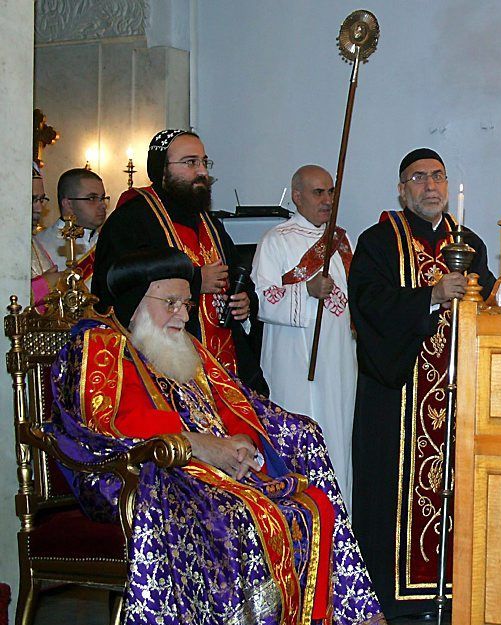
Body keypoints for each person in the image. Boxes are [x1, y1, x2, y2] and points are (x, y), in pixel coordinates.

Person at [49, 247, 385, 625]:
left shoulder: (183, 344)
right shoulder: (100, 343)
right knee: (239, 517)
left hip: (211, 469)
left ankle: (337, 616)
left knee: (314, 501)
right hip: (139, 477)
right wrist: (199, 446)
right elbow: (105, 423)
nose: (182, 315)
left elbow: (235, 401)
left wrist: (244, 443)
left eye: (188, 305)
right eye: (171, 302)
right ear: (134, 300)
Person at [348, 148, 496, 619]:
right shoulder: (378, 242)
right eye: (418, 179)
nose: (430, 187)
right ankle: (391, 602)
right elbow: (368, 304)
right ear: (401, 188)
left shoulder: (469, 243)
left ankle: (454, 592)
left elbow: (487, 299)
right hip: (398, 400)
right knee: (390, 502)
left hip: (457, 398)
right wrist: (430, 296)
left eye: (438, 177)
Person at [92, 129, 268, 395]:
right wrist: (196, 280)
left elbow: (238, 277)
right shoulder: (131, 219)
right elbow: (118, 288)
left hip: (225, 363)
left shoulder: (211, 223)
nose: (202, 172)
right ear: (161, 170)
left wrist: (245, 300)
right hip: (166, 369)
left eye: (203, 162)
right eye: (190, 162)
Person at [252, 165, 356, 512]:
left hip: (337, 361)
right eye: (318, 192)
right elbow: (261, 299)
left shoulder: (341, 242)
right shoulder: (276, 240)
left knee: (337, 440)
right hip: (294, 363)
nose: (327, 200)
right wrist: (306, 291)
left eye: (331, 192)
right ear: (297, 196)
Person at [35, 167, 108, 287]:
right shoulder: (40, 247)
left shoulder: (107, 242)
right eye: (92, 198)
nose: (103, 205)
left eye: (103, 198)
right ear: (68, 204)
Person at [30, 164, 58, 306]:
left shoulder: (32, 240)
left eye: (41, 200)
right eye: (33, 199)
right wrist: (45, 285)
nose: (39, 208)